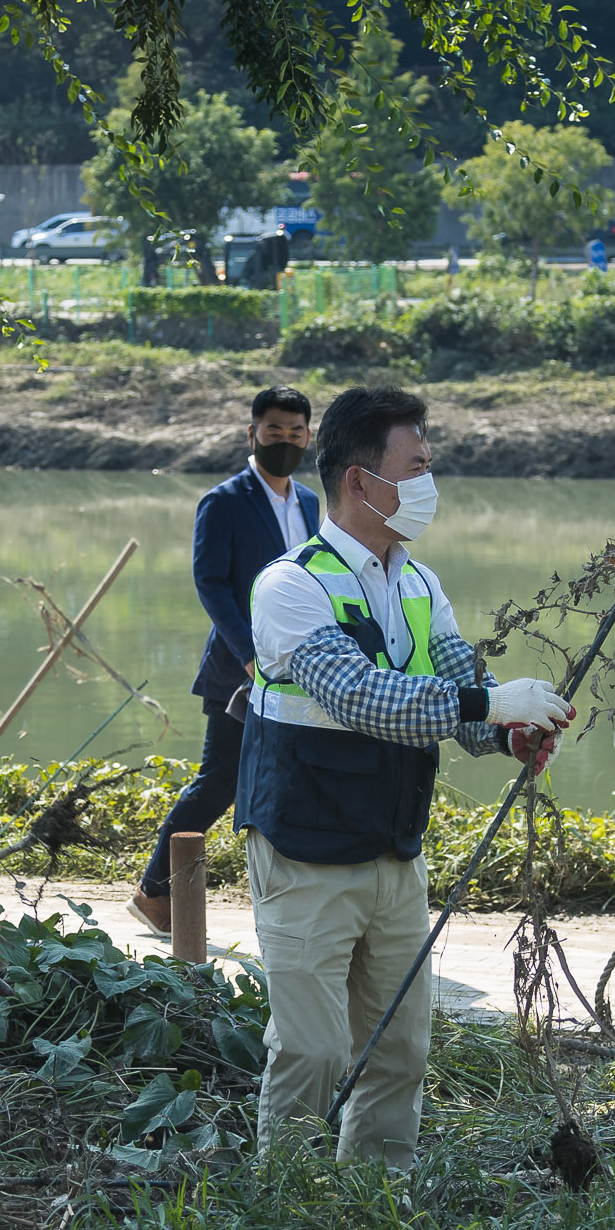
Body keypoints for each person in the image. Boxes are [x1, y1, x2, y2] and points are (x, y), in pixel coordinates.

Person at [234, 386, 575, 1167]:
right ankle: (281, 1212)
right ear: (361, 480)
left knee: (400, 1049)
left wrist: (507, 732)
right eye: (415, 465)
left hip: (394, 850)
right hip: (305, 848)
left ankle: (376, 1202)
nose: (428, 480)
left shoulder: (420, 585)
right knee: (313, 1051)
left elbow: (458, 696)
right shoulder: (291, 585)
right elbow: (359, 697)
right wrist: (490, 700)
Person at [130, 385, 319, 935]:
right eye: (274, 431)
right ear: (252, 433)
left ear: (309, 437)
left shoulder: (308, 502)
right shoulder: (224, 500)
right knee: (220, 782)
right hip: (239, 671)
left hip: (295, 669)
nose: (285, 441)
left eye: (295, 433)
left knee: (295, 779)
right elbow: (210, 583)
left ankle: (296, 896)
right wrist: (247, 655)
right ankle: (155, 890)